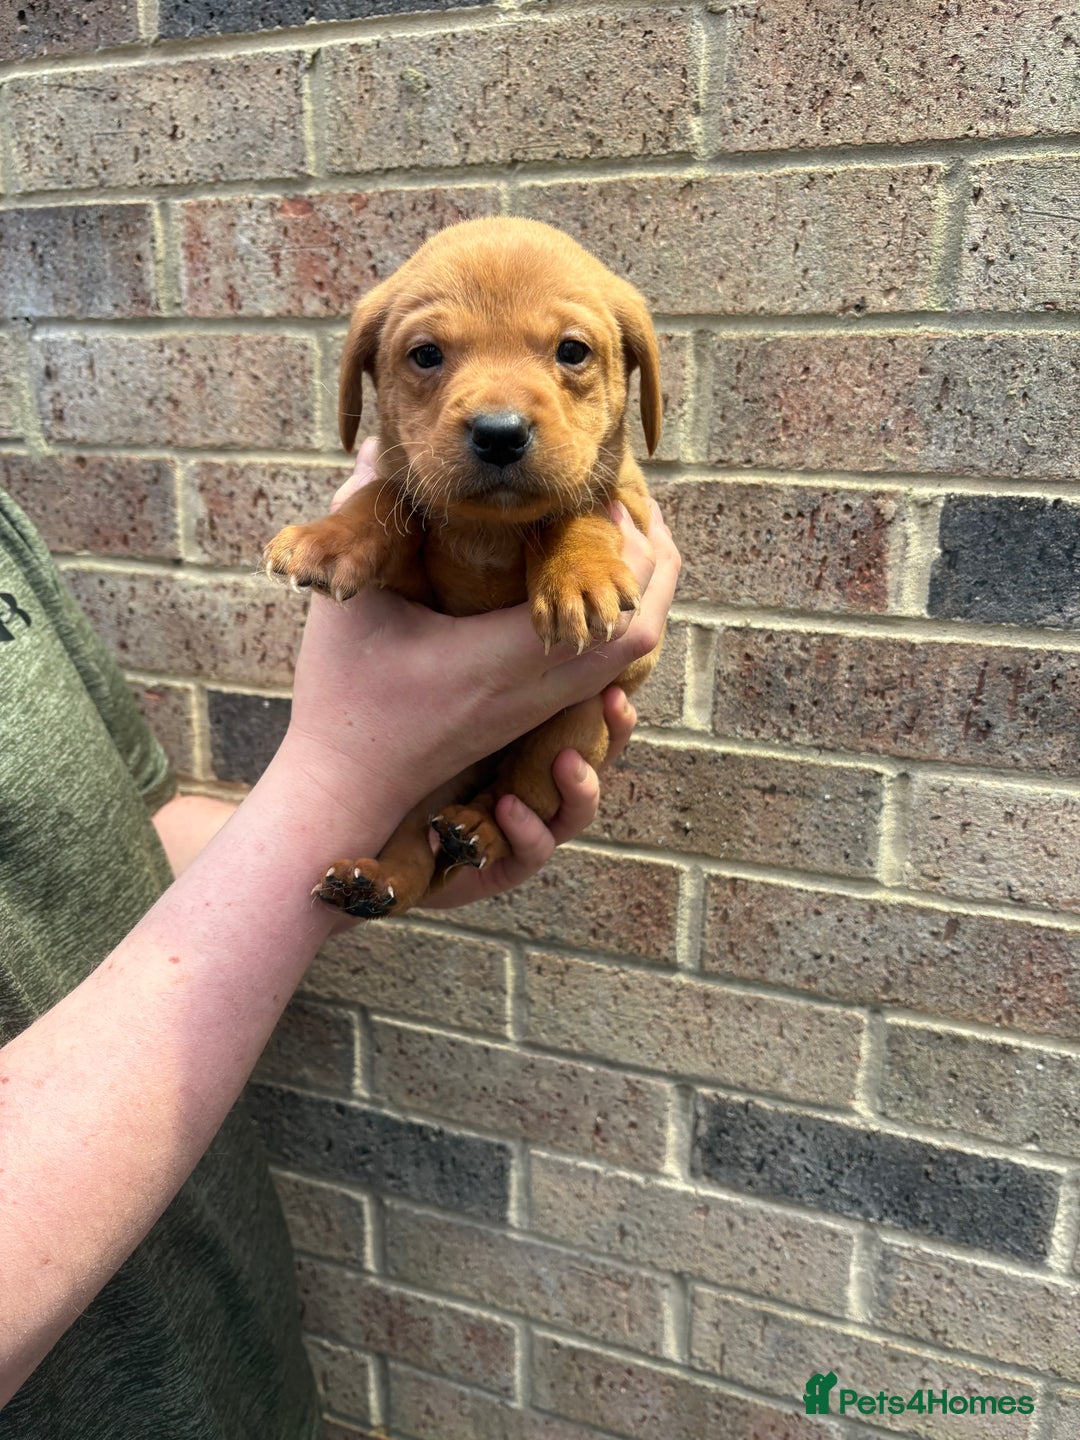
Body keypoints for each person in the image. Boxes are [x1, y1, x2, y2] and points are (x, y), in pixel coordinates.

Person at [0, 437, 680, 1436]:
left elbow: (128, 838)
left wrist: (353, 819)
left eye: (570, 354)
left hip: (226, 1356)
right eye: (427, 356)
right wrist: (340, 774)